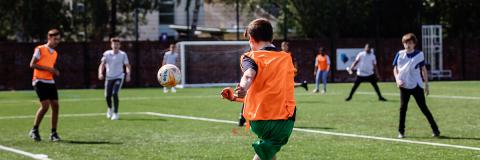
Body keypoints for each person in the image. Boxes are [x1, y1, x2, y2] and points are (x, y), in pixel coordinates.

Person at [223, 18, 296, 160]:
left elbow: (250, 77)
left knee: (268, 154)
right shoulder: (286, 58)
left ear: (251, 39)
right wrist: (243, 88)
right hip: (282, 119)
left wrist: (237, 94)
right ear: (272, 37)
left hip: (259, 120)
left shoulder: (251, 57)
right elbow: (270, 88)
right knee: (266, 151)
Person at [393, 33, 440, 138]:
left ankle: (436, 129)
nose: (407, 45)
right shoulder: (399, 54)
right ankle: (401, 132)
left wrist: (426, 85)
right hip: (404, 85)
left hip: (417, 86)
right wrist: (397, 80)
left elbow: (423, 69)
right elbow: (395, 69)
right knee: (402, 109)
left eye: (410, 43)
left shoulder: (419, 54)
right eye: (405, 43)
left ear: (414, 44)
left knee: (424, 108)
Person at [28, 29, 62, 142]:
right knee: (45, 105)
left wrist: (54, 71)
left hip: (50, 81)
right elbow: (32, 64)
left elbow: (49, 67)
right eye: (55, 39)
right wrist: (49, 69)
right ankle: (34, 130)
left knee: (56, 106)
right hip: (38, 80)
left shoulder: (55, 53)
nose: (57, 41)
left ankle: (53, 133)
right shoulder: (40, 49)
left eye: (58, 39)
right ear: (49, 38)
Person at [98, 37, 131, 120]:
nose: (115, 46)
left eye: (117, 44)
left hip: (119, 77)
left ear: (119, 45)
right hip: (109, 78)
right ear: (111, 45)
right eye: (114, 44)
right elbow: (102, 65)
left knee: (114, 93)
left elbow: (127, 66)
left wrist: (128, 74)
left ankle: (116, 113)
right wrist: (100, 73)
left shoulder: (123, 54)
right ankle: (110, 108)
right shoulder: (107, 54)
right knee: (107, 96)